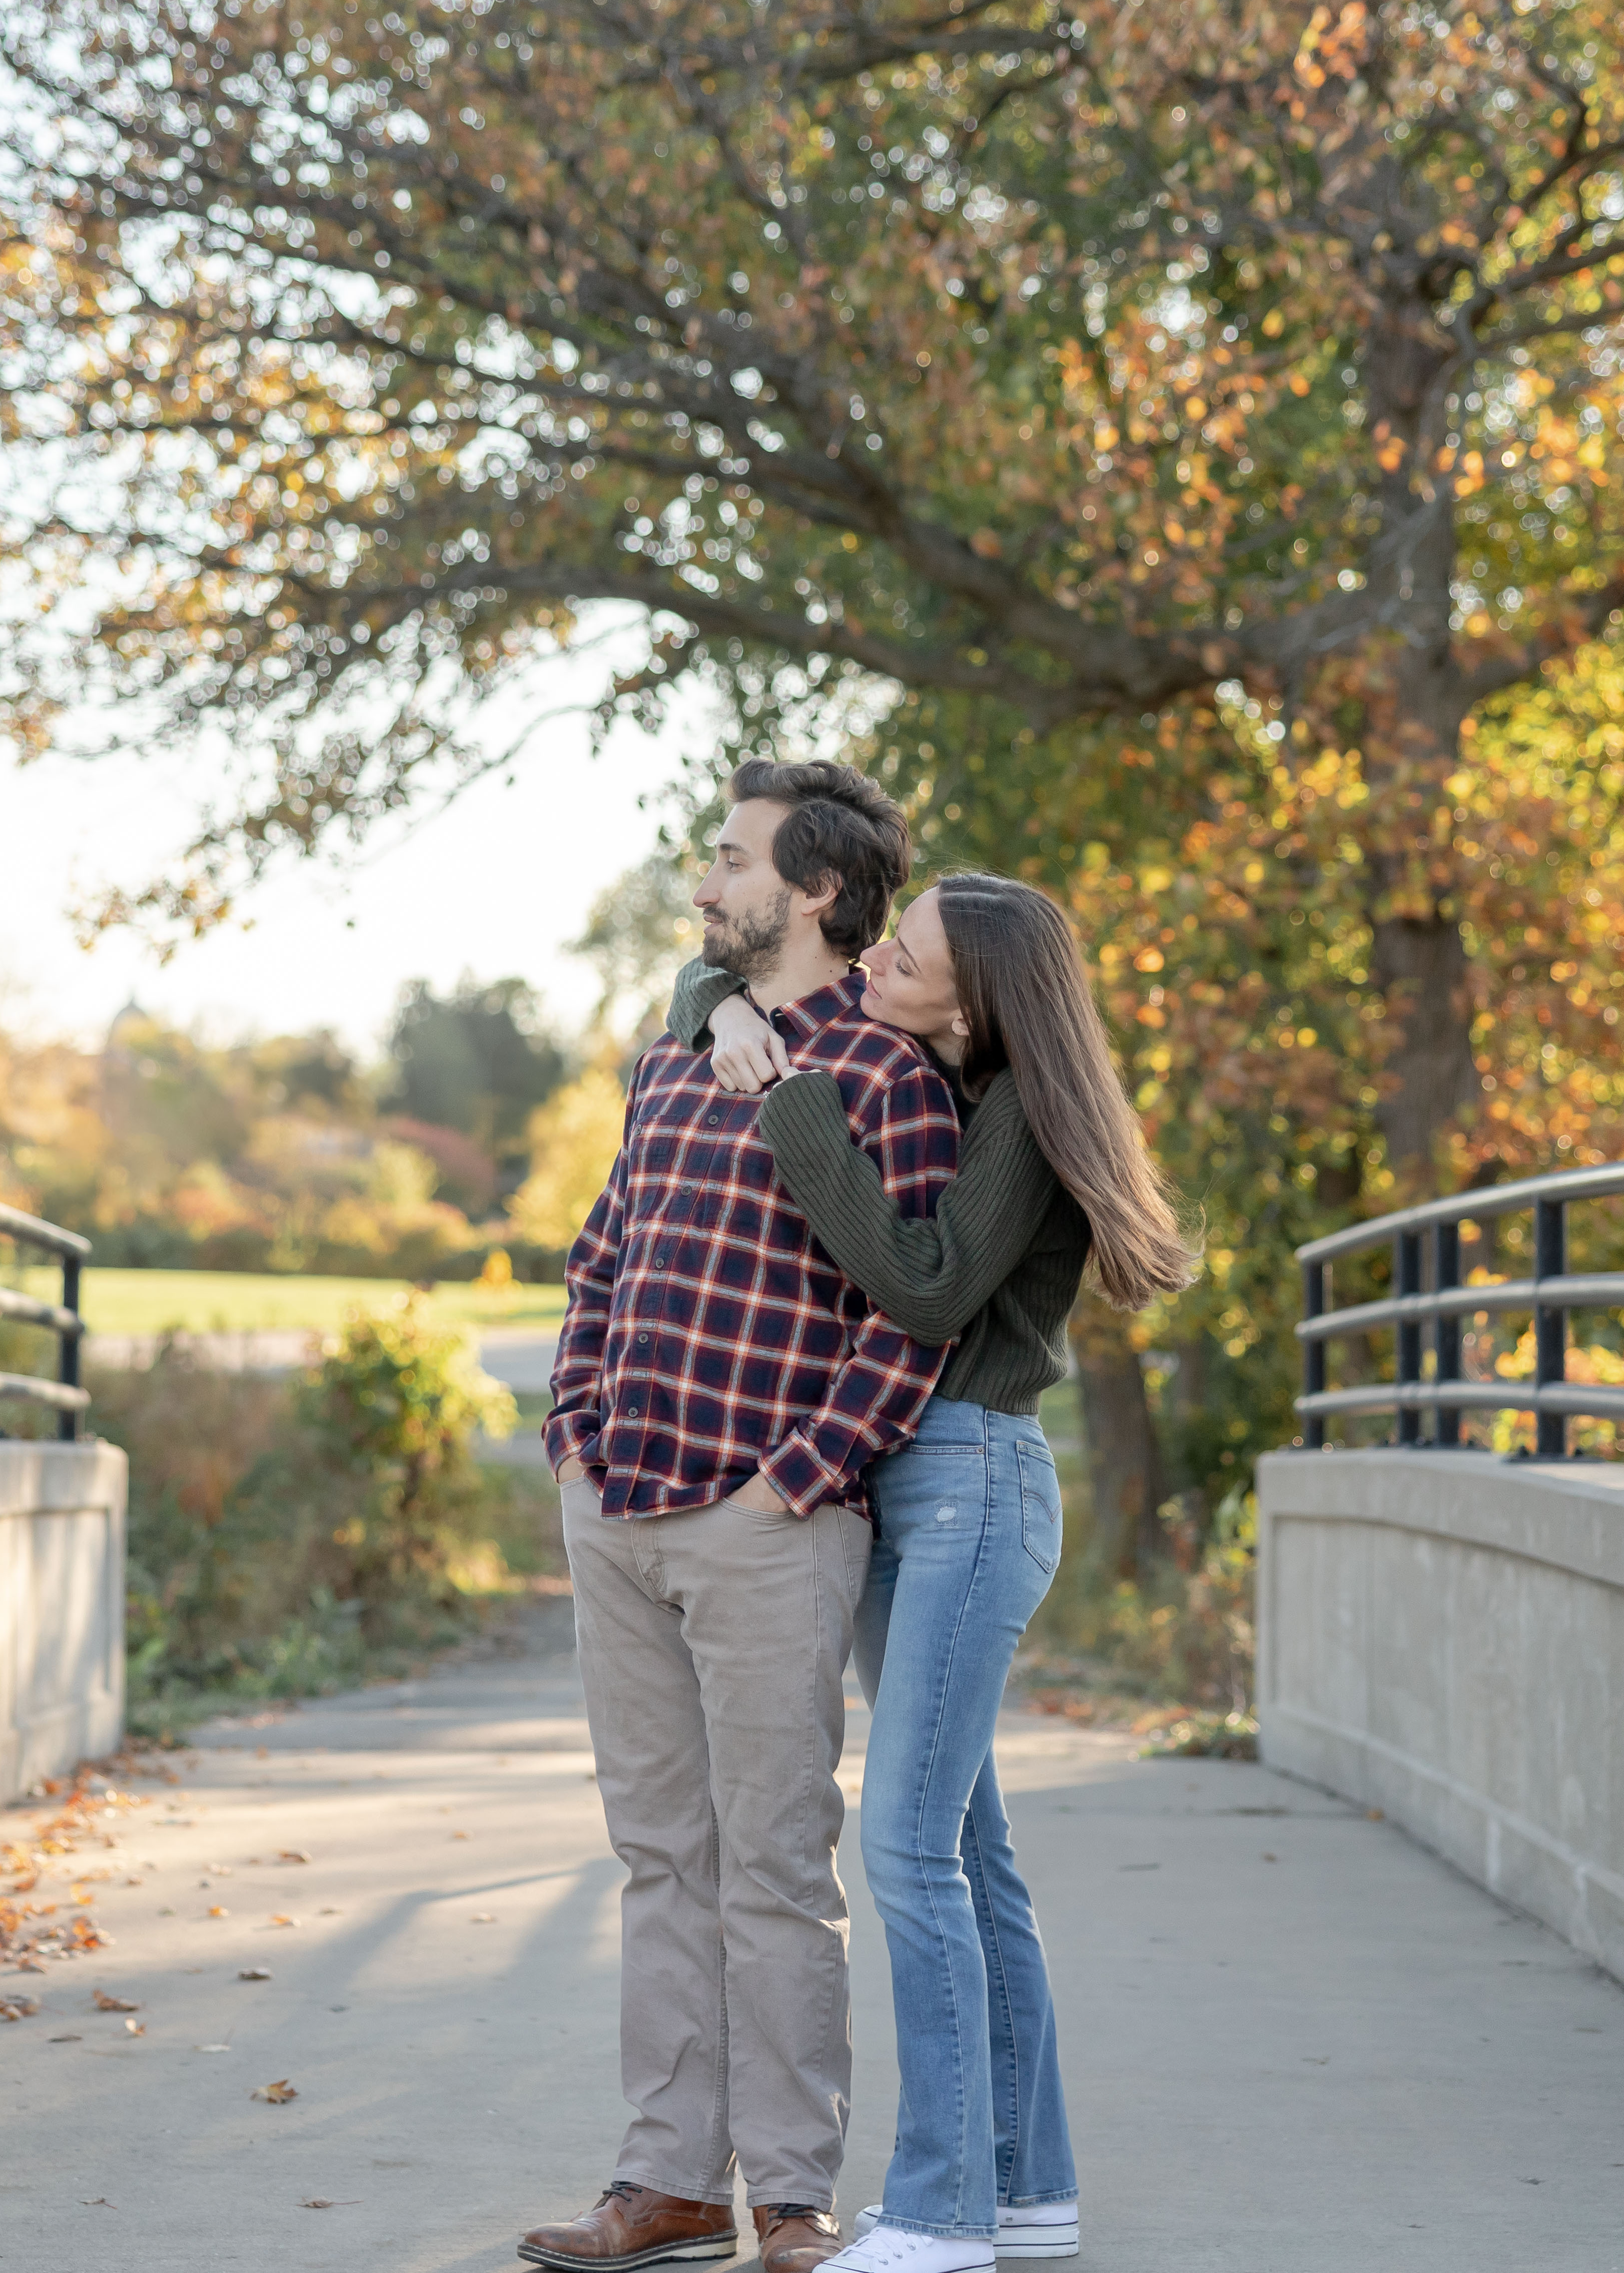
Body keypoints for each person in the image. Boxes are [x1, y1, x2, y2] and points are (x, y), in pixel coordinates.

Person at [675, 874, 1198, 2273]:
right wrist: (721, 1004)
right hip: (914, 1488)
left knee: (907, 1850)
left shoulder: (1023, 1114)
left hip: (970, 1484)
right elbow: (701, 984)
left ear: (971, 998)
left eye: (901, 956)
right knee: (971, 1855)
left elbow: (921, 1285)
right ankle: (1029, 2192)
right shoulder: (945, 1067)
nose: (873, 963)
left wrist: (791, 1116)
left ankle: (940, 2213)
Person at [518, 762, 963, 2273]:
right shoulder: (669, 1059)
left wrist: (805, 1473)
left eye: (730, 860)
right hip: (619, 1501)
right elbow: (602, 1257)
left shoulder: (888, 1081)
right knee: (659, 1858)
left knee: (774, 1867)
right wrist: (569, 1433)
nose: (704, 887)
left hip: (767, 1523)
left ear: (815, 891)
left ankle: (785, 2194)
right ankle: (665, 2182)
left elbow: (911, 1315)